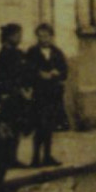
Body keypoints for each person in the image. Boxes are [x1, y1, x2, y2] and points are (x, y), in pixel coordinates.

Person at [25, 23, 69, 167]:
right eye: (40, 36)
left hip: (53, 94)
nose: (43, 39)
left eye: (46, 36)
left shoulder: (57, 52)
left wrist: (58, 73)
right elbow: (27, 70)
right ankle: (35, 157)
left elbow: (65, 72)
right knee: (39, 125)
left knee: (50, 126)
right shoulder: (32, 52)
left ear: (51, 36)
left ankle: (47, 156)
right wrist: (39, 74)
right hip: (39, 94)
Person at [0, 22, 30, 170]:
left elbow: (24, 72)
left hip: (17, 94)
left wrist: (26, 89)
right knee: (9, 126)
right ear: (8, 37)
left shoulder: (17, 53)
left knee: (17, 126)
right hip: (8, 95)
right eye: (17, 35)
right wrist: (6, 93)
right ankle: (6, 158)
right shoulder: (4, 54)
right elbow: (3, 77)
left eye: (20, 35)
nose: (19, 38)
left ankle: (12, 157)